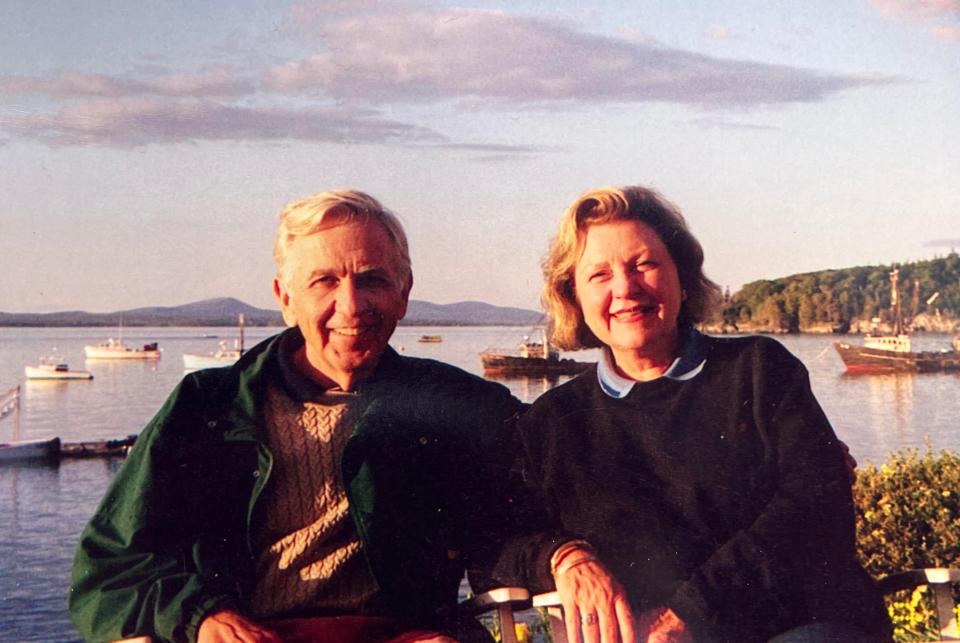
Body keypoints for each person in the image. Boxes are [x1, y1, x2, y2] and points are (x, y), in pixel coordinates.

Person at [68, 190, 522, 643]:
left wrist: (446, 628)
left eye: (372, 280)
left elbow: (530, 517)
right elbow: (108, 574)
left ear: (404, 293)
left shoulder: (456, 403)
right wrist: (201, 618)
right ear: (285, 297)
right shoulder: (209, 408)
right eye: (324, 281)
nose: (352, 305)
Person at [490, 186, 890, 643]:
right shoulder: (553, 421)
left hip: (797, 629)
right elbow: (496, 546)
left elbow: (816, 509)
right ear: (573, 295)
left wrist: (688, 615)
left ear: (681, 275)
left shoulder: (759, 370)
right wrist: (562, 557)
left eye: (644, 264)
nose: (625, 288)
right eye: (599, 274)